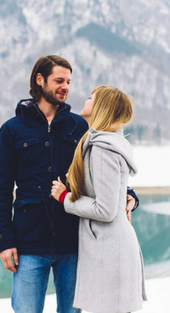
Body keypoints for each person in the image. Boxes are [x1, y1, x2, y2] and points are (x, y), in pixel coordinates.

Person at [0, 56, 139, 313]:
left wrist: (128, 195)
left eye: (69, 81)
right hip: (28, 243)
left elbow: (101, 173)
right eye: (59, 80)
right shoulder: (12, 130)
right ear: (40, 80)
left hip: (73, 242)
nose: (66, 87)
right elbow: (1, 190)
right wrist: (4, 242)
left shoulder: (80, 127)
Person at [51, 85, 147, 313]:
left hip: (110, 252)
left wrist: (65, 197)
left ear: (101, 107)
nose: (84, 100)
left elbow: (104, 210)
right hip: (110, 247)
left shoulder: (102, 148)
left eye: (90, 98)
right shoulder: (107, 143)